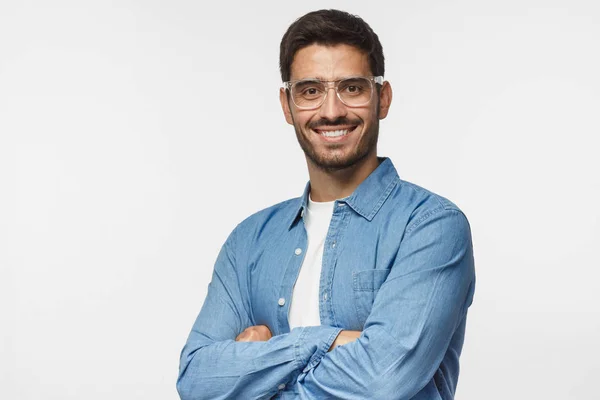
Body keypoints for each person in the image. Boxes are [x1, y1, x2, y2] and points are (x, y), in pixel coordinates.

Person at [177, 9, 475, 400]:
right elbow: (197, 379)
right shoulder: (249, 241)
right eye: (311, 90)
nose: (331, 110)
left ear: (381, 98)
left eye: (352, 88)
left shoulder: (431, 227)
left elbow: (381, 381)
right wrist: (330, 343)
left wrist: (263, 360)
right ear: (287, 105)